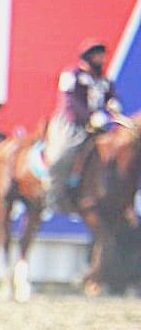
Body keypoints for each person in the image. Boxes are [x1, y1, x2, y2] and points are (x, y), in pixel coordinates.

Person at [45, 40, 122, 215]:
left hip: (98, 127)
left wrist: (113, 103)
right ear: (88, 56)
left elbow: (111, 95)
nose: (102, 58)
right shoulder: (71, 74)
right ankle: (52, 197)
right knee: (61, 156)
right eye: (98, 54)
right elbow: (69, 101)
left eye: (102, 54)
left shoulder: (103, 79)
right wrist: (90, 116)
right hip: (71, 125)